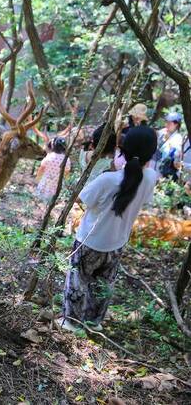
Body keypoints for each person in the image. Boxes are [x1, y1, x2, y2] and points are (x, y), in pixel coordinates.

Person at [58, 125, 159, 332]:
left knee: (78, 279)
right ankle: (94, 322)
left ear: (123, 148)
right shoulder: (150, 178)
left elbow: (81, 198)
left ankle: (71, 322)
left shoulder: (107, 180)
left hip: (89, 240)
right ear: (151, 153)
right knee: (104, 283)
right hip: (117, 243)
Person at [113, 104, 148, 170]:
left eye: (139, 116)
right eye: (136, 116)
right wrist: (120, 129)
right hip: (121, 154)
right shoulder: (125, 124)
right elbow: (116, 141)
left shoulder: (142, 126)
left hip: (134, 156)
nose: (137, 118)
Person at [154, 112, 184, 180]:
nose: (166, 125)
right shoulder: (162, 132)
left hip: (165, 171)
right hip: (155, 166)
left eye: (169, 123)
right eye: (166, 122)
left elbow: (173, 155)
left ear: (176, 124)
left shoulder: (178, 138)